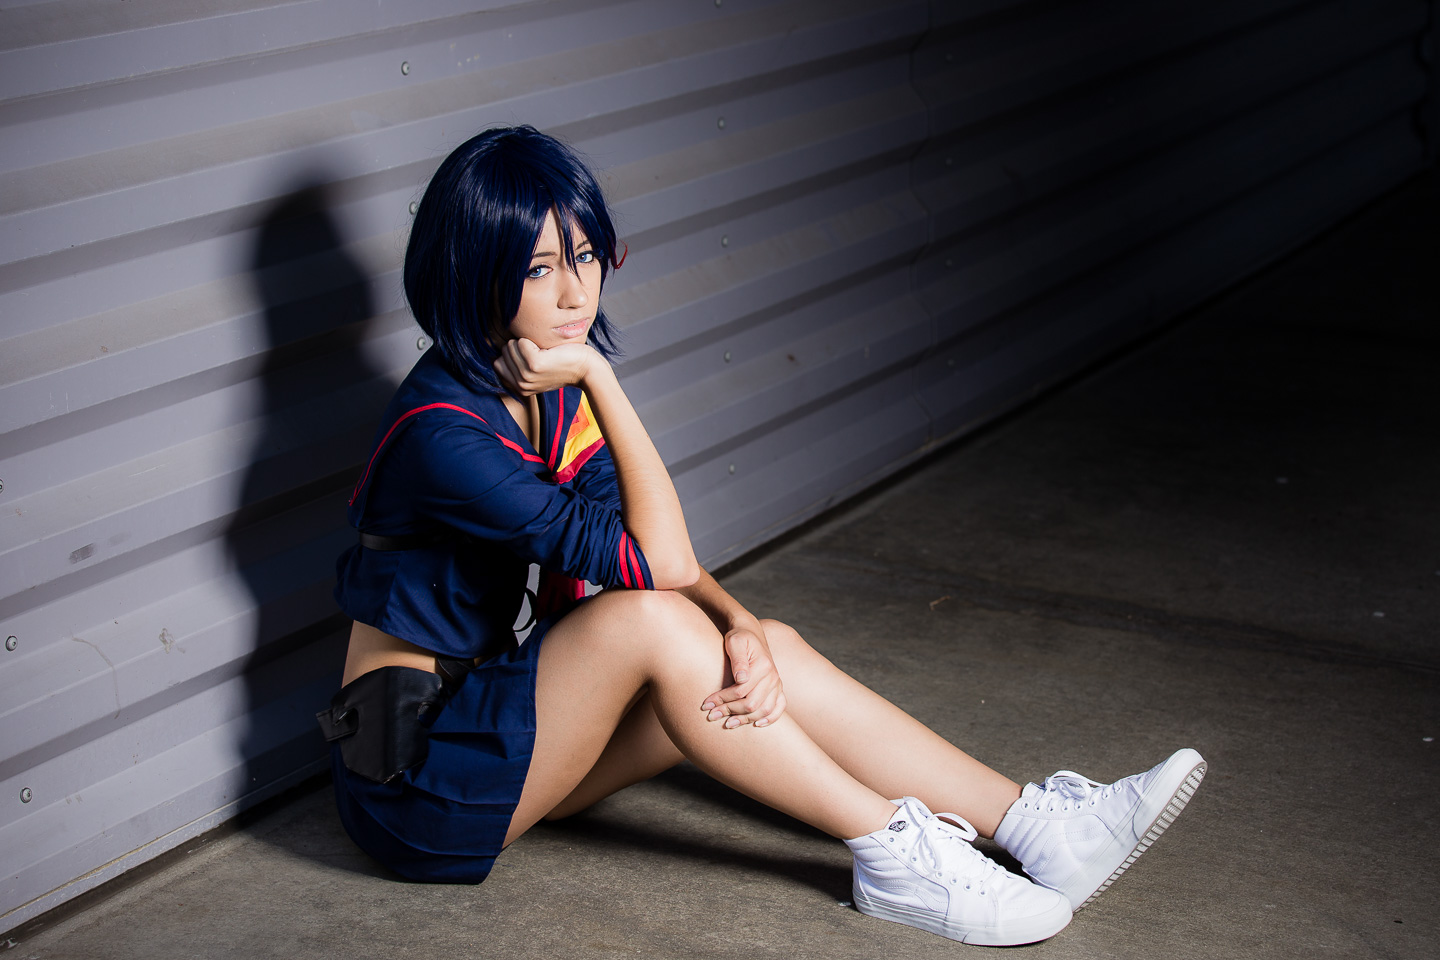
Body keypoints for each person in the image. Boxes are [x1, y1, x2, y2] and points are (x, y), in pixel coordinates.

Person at [317, 125, 1206, 947]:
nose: (576, 291)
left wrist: (740, 624)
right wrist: (600, 378)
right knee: (655, 621)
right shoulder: (444, 433)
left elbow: (651, 549)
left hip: (507, 737)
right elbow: (655, 567)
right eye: (539, 266)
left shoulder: (537, 387)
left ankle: (1033, 827)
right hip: (416, 787)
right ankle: (891, 854)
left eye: (584, 256)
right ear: (474, 271)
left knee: (761, 645)